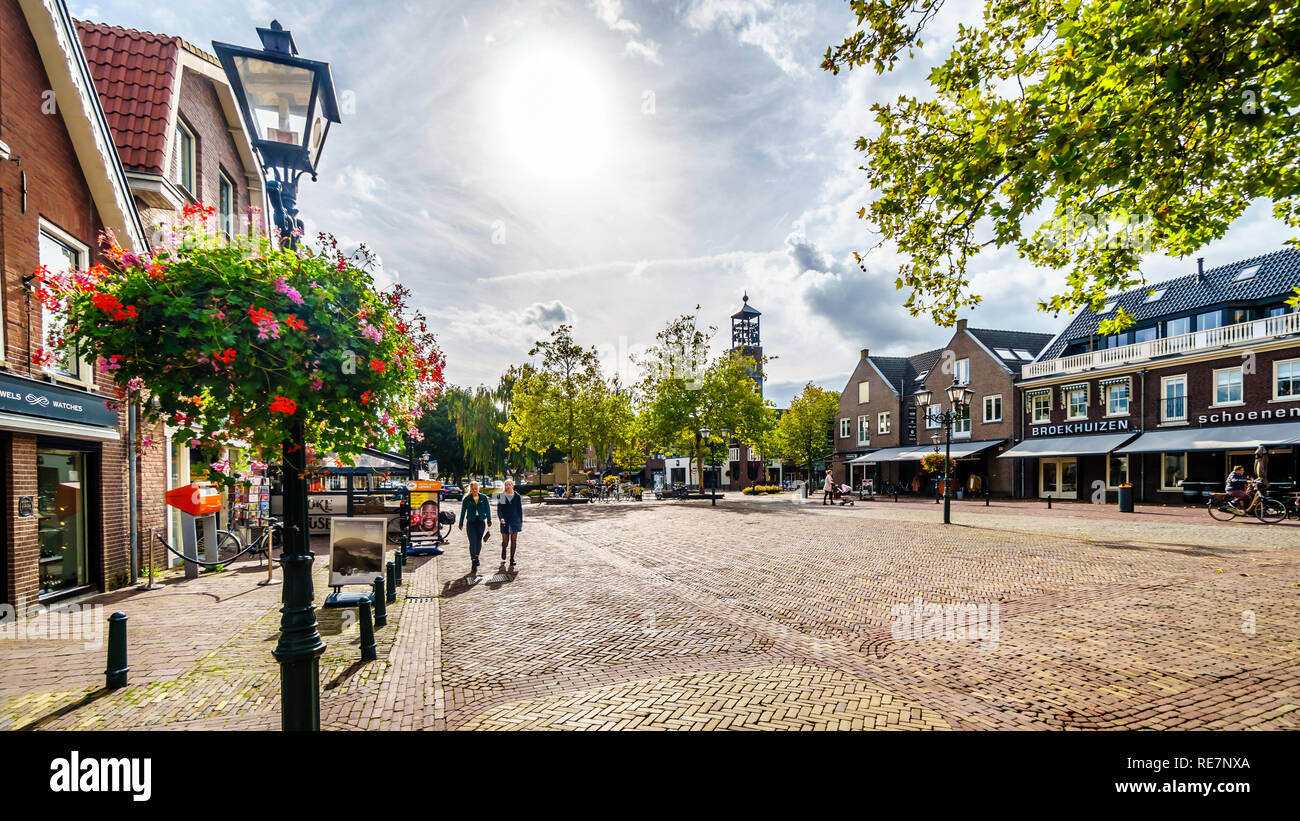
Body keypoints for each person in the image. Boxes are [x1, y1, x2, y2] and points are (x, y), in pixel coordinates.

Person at [457, 480, 493, 576]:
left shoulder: (483, 498)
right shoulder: (467, 499)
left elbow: (488, 510)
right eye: (473, 489)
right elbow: (463, 511)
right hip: (471, 523)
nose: (474, 490)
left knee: (478, 541)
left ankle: (477, 556)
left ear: (478, 488)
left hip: (481, 522)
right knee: (472, 541)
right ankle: (473, 561)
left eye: (476, 489)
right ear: (470, 489)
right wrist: (460, 523)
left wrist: (489, 520)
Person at [497, 479, 523, 569]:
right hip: (505, 521)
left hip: (515, 520)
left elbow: (519, 510)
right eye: (506, 485)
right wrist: (501, 518)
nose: (508, 486)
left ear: (513, 485)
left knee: (514, 540)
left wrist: (521, 521)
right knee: (505, 541)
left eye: (509, 484)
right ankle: (504, 549)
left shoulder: (517, 496)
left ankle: (512, 558)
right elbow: (499, 509)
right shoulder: (502, 496)